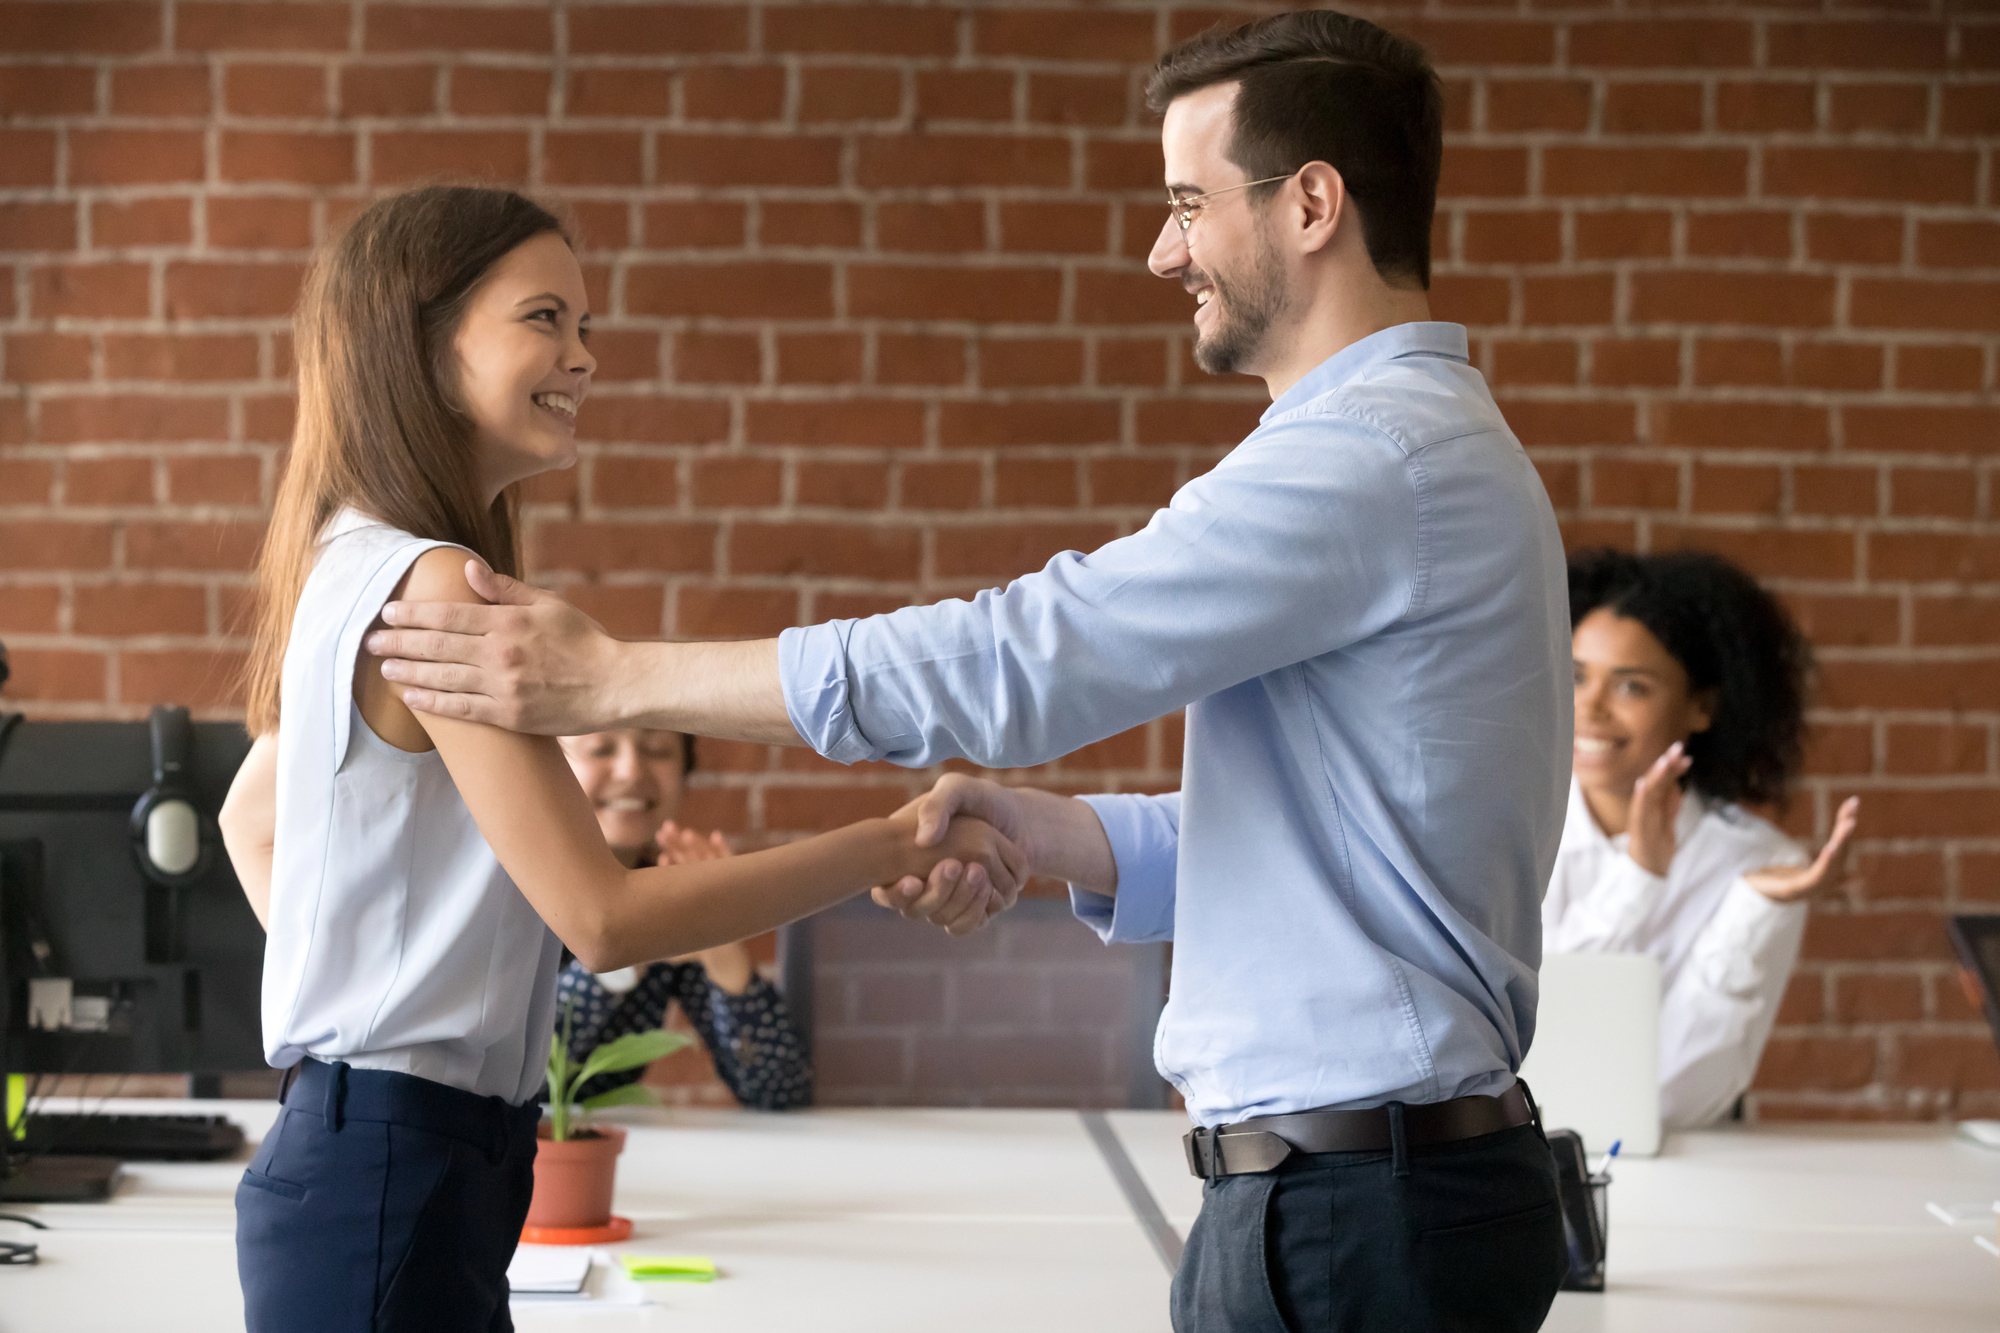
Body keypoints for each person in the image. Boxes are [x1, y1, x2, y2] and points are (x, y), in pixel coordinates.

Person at [363, 14, 1575, 1330]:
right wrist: (1042, 833)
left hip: (1356, 1217)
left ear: (1313, 204)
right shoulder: (1413, 453)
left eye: (1186, 202)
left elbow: (1022, 657)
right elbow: (1334, 844)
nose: (1162, 249)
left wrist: (613, 679)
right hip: (1368, 1197)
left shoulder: (1366, 461)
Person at [214, 185, 1023, 1333]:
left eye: (584, 326)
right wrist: (887, 841)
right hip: (397, 1164)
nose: (582, 357)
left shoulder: (348, 557)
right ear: (422, 340)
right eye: (544, 318)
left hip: (376, 1155)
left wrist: (361, 994)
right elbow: (600, 918)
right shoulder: (433, 585)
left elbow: (252, 822)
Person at [1546, 548, 1860, 1130]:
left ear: (1702, 707)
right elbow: (1543, 1043)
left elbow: (1676, 1098)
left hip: (1691, 1177)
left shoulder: (1760, 867)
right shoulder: (1520, 827)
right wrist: (1637, 880)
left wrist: (1753, 912)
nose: (1588, 709)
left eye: (1631, 687)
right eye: (1576, 675)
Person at [553, 728, 810, 1110]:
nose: (631, 771)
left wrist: (720, 936)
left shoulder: (668, 892)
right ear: (544, 770)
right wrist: (631, 944)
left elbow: (781, 1092)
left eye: (657, 749)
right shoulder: (504, 887)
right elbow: (519, 1061)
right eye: (601, 748)